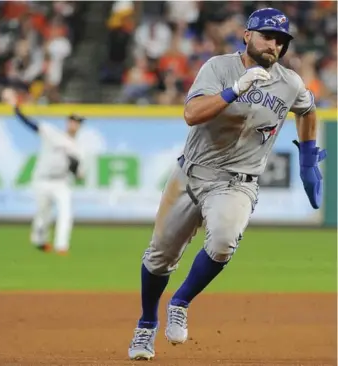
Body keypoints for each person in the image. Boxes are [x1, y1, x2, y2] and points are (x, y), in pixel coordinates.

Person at [128, 7, 327, 361]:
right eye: (268, 36)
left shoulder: (289, 82)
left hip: (238, 182)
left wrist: (308, 158)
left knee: (222, 242)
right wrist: (234, 90)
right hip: (191, 174)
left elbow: (308, 110)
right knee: (159, 258)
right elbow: (191, 114)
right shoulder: (218, 68)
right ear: (248, 35)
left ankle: (181, 302)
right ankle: (145, 324)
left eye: (281, 40)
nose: (274, 45)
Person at [2, 88, 86, 255]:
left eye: (78, 122)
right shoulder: (52, 133)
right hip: (42, 179)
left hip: (61, 182)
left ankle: (62, 247)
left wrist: (75, 168)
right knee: (43, 215)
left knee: (66, 212)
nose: (75, 124)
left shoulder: (78, 149)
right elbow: (30, 124)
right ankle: (39, 241)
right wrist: (16, 108)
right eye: (73, 121)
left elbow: (79, 175)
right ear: (67, 122)